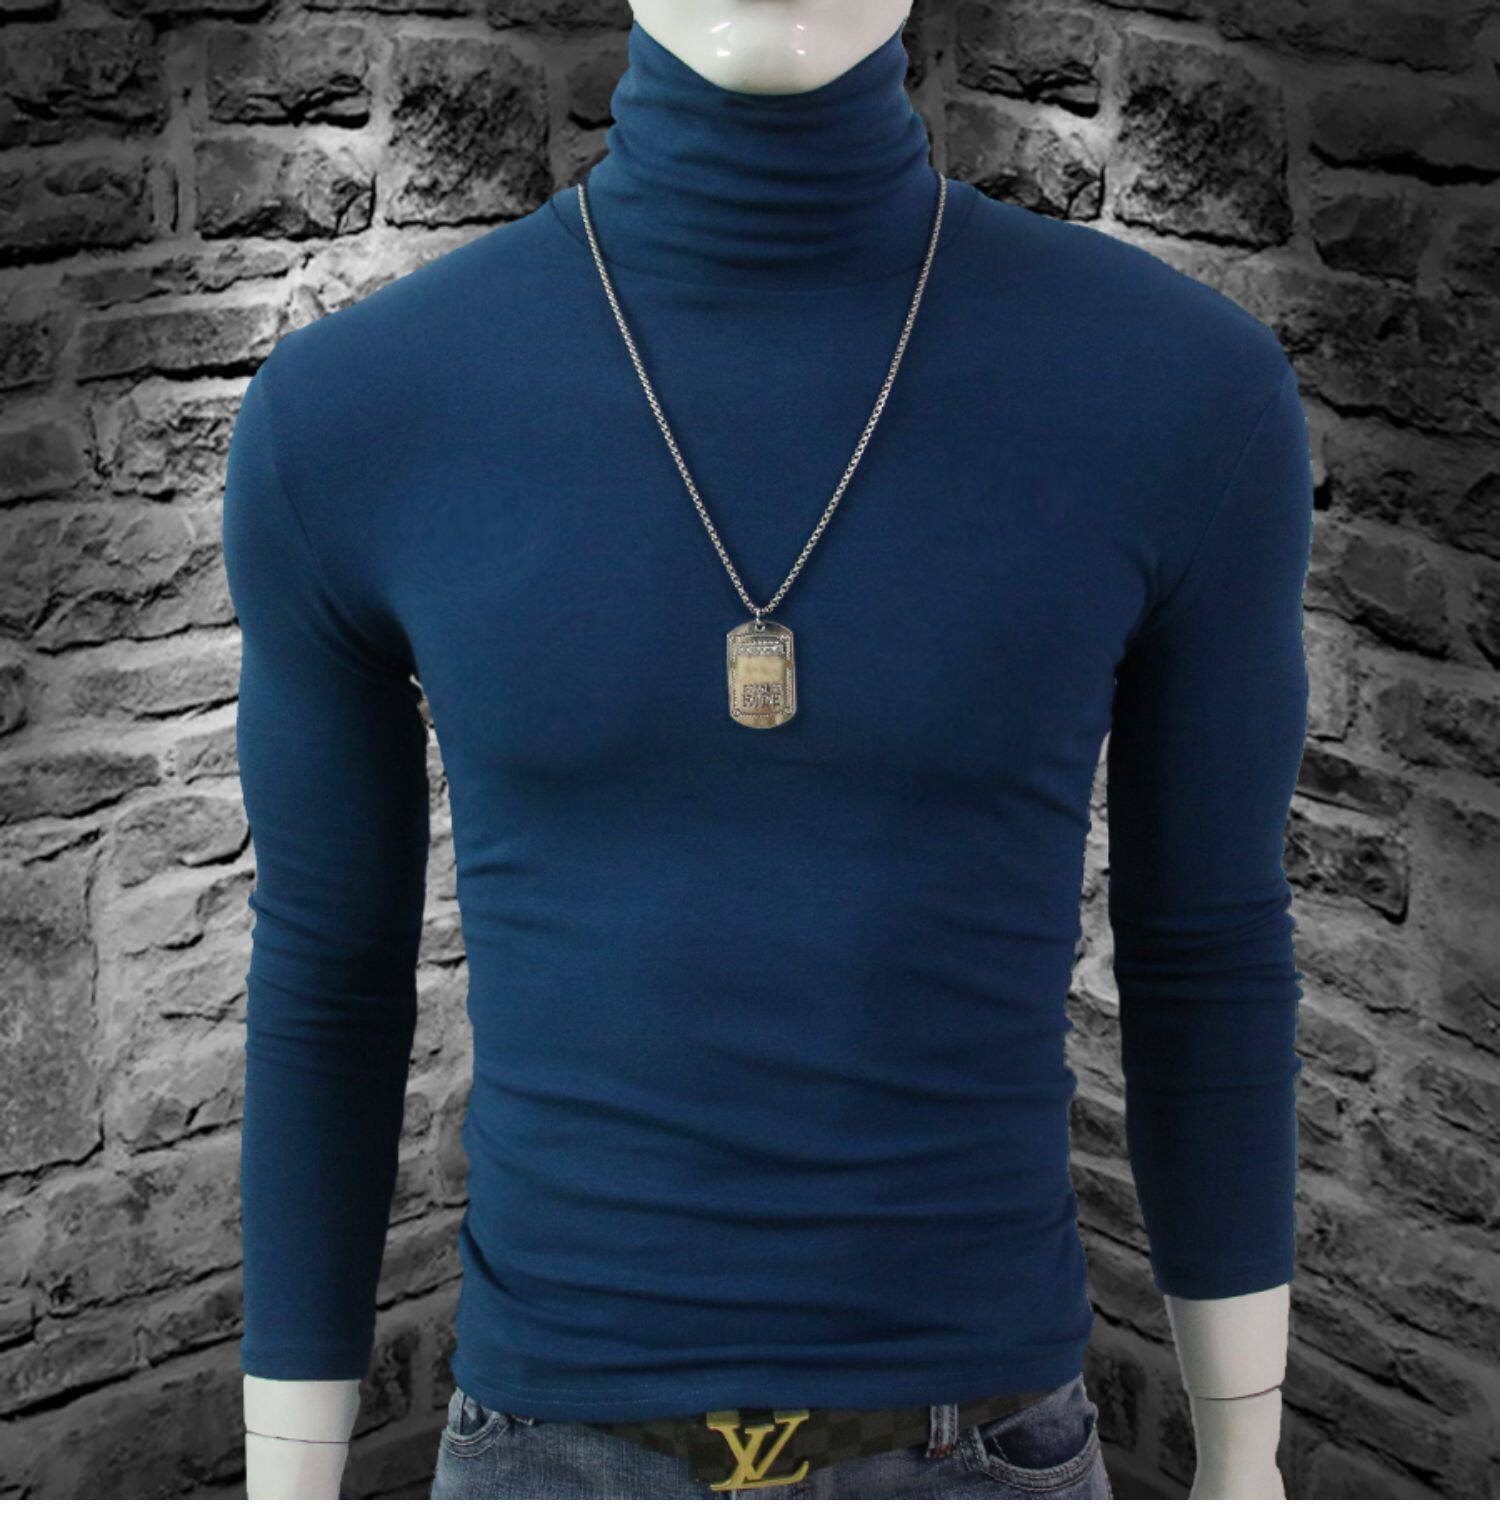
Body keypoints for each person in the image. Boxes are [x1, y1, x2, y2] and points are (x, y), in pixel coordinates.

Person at [224, 0, 1312, 1500]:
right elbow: (331, 982)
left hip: (985, 1445)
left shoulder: (1182, 392)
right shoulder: (352, 417)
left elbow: (1208, 952)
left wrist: (1244, 1461)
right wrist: (285, 1492)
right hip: (549, 1452)